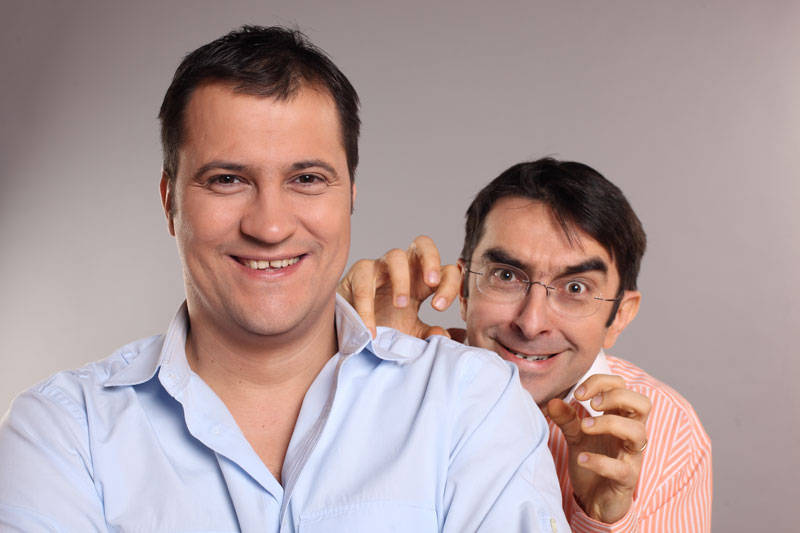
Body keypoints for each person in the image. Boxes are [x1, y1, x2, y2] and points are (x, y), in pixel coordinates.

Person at [0, 28, 569, 532]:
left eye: (307, 179)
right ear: (170, 201)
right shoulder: (63, 431)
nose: (270, 227)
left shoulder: (471, 398)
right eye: (227, 180)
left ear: (351, 195)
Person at [340, 158, 713, 531]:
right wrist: (358, 357)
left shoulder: (671, 436)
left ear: (619, 316)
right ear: (465, 291)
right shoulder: (396, 368)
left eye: (576, 288)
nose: (531, 324)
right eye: (506, 276)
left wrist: (602, 519)